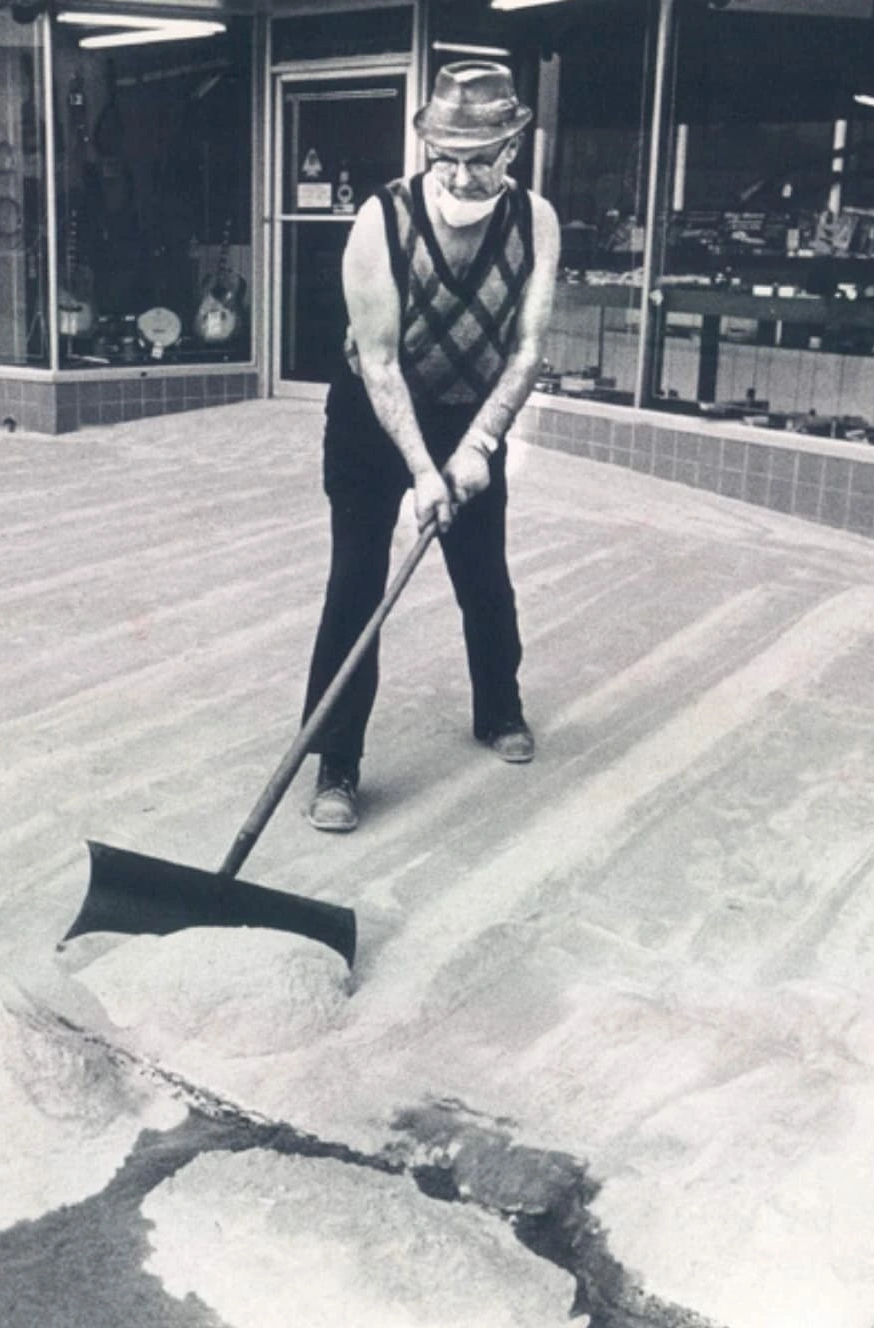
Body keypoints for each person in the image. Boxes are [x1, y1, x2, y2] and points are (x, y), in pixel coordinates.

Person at [301, 61, 561, 833]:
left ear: (511, 150)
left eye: (479, 157)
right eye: (445, 155)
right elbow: (378, 362)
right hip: (371, 420)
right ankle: (336, 760)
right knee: (356, 585)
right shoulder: (381, 222)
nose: (460, 173)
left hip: (469, 415)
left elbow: (529, 350)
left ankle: (499, 709)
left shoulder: (536, 221)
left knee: (485, 576)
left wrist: (480, 444)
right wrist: (421, 471)